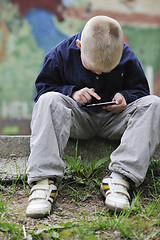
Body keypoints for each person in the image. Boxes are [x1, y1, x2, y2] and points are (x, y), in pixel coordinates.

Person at [26, 15, 160, 218]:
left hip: (114, 121)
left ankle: (120, 179)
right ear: (79, 45)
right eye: (92, 66)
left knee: (154, 104)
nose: (98, 72)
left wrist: (125, 97)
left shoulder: (127, 55)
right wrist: (71, 93)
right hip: (77, 120)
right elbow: (42, 92)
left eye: (108, 69)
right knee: (48, 100)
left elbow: (141, 92)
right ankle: (44, 182)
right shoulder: (59, 55)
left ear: (121, 50)